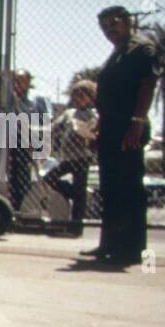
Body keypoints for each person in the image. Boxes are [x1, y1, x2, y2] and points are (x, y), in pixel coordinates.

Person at [86, 5, 159, 267]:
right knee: (110, 187)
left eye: (113, 24)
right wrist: (100, 128)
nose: (109, 31)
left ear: (128, 22)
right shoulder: (116, 53)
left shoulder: (141, 48)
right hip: (110, 128)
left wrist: (137, 121)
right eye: (104, 27)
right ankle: (110, 244)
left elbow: (147, 84)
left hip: (130, 126)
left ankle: (131, 249)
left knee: (128, 188)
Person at [44, 79, 98, 235]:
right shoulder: (69, 113)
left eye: (83, 95)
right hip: (67, 157)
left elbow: (93, 133)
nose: (78, 98)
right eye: (76, 95)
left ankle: (75, 227)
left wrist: (86, 133)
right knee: (50, 177)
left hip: (82, 157)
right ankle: (73, 193)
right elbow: (55, 127)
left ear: (90, 97)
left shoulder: (93, 114)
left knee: (80, 189)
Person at [4, 68, 51, 212]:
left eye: (22, 80)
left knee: (25, 176)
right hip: (10, 140)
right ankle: (13, 207)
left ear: (28, 82)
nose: (18, 84)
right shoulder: (8, 99)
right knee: (12, 176)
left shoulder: (35, 101)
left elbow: (44, 122)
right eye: (15, 81)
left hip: (28, 140)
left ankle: (25, 207)